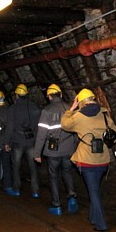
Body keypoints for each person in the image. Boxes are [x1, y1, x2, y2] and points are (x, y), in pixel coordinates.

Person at [61, 88, 116, 231]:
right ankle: (93, 217)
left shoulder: (79, 116)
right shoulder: (104, 114)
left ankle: (101, 224)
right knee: (95, 189)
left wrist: (71, 109)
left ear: (81, 102)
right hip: (103, 159)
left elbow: (64, 124)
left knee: (93, 191)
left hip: (87, 159)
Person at [34, 84, 78, 215]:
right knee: (67, 172)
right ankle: (72, 198)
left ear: (49, 97)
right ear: (61, 94)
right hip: (68, 149)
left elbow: (42, 135)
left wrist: (37, 153)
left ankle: (57, 205)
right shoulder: (69, 108)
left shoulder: (46, 111)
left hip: (53, 151)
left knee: (53, 176)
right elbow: (75, 130)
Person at [4, 83, 41, 198]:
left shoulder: (13, 108)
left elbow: (9, 127)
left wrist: (7, 142)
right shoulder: (34, 106)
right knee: (32, 167)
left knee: (16, 166)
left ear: (17, 95)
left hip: (17, 140)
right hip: (31, 141)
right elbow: (38, 125)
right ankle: (35, 191)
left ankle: (17, 189)